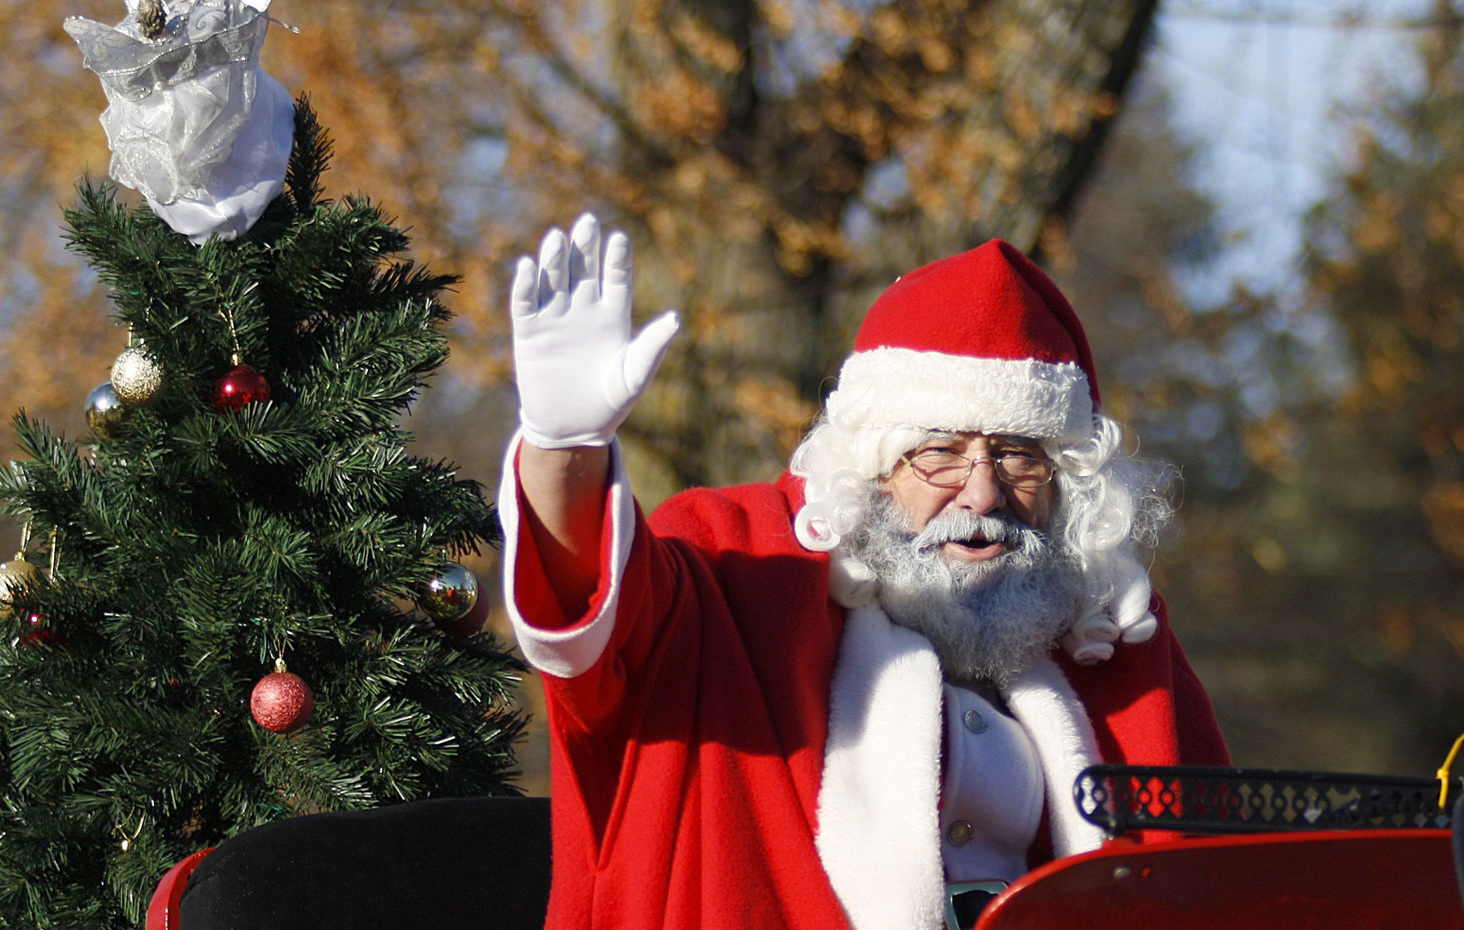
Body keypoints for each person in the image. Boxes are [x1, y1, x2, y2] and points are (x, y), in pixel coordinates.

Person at [500, 214, 1229, 930]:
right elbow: (587, 607)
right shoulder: (741, 569)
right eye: (939, 451)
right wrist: (566, 449)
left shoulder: (1110, 634)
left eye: (1018, 455)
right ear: (872, 469)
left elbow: (1236, 884)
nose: (982, 493)